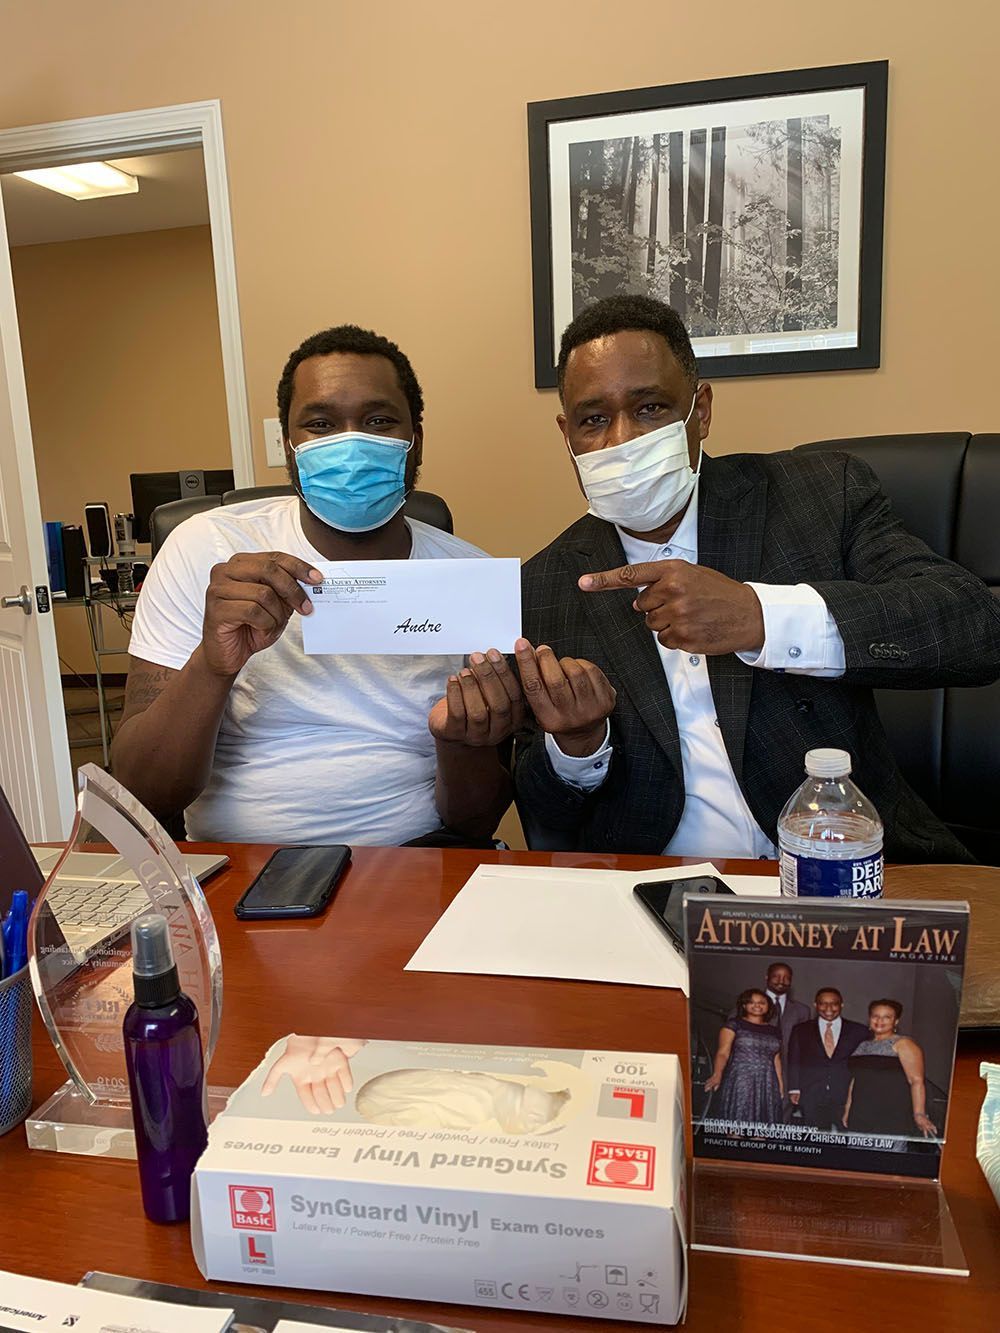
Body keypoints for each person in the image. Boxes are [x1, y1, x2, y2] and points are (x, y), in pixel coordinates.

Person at [513, 294, 1000, 860]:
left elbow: (975, 629)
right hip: (651, 883)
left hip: (848, 867)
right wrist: (576, 747)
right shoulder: (543, 586)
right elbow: (545, 815)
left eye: (650, 408)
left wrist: (761, 616)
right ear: (566, 433)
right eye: (594, 419)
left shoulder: (820, 495)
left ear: (700, 411)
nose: (622, 440)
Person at [112, 325, 517, 846]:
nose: (350, 444)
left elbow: (475, 824)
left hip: (418, 858)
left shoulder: (469, 579)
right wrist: (213, 666)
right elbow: (141, 792)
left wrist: (462, 742)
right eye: (320, 424)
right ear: (290, 445)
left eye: (378, 421)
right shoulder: (206, 548)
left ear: (415, 440)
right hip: (243, 864)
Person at [844, 999, 938, 1138]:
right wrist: (848, 1109)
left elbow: (916, 1080)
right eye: (875, 1016)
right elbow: (856, 1080)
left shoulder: (903, 1043)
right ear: (870, 1018)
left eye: (887, 1017)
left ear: (896, 1021)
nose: (879, 1020)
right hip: (860, 1116)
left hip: (891, 1116)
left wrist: (919, 1114)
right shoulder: (862, 1045)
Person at [786, 989, 869, 1130]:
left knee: (847, 1136)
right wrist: (794, 1088)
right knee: (816, 1137)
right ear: (815, 1005)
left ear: (841, 1005)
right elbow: (794, 1060)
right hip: (811, 1093)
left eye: (834, 1003)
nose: (828, 1008)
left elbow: (863, 1065)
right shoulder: (801, 1030)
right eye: (823, 1003)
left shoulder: (859, 1031)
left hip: (845, 1095)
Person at [705, 988, 783, 1126]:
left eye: (762, 1002)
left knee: (763, 1128)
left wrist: (780, 1085)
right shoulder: (734, 1024)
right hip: (741, 1079)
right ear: (744, 1005)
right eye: (752, 1002)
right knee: (737, 1124)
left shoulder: (774, 1031)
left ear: (768, 1006)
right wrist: (717, 1074)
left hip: (767, 1082)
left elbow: (776, 1059)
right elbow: (723, 1053)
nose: (757, 1005)